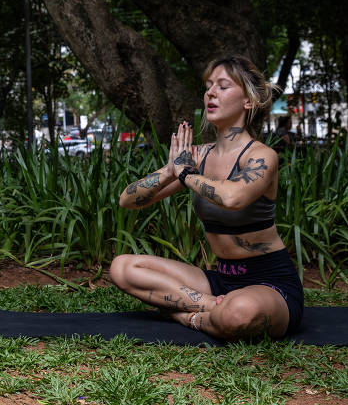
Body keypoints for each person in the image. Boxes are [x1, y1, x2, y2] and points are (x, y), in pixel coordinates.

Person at [111, 56, 303, 341]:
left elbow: (233, 197)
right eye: (209, 86)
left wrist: (186, 173)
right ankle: (211, 309)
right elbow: (127, 200)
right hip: (219, 281)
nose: (210, 93)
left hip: (269, 283)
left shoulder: (262, 156)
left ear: (248, 101)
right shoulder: (197, 157)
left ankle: (186, 316)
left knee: (239, 313)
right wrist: (170, 171)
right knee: (123, 268)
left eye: (223, 86)